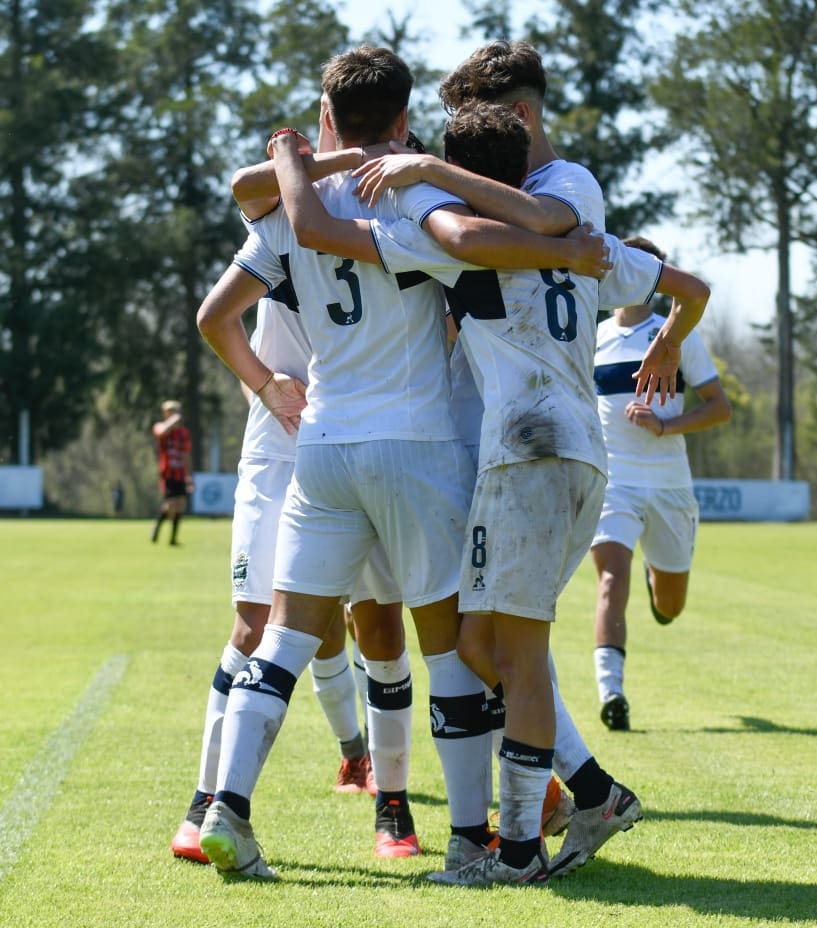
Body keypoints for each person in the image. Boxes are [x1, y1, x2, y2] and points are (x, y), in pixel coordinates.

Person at [194, 46, 609, 882]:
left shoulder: (290, 201)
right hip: (420, 446)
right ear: (400, 119)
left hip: (323, 445)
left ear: (327, 115)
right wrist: (565, 246)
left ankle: (226, 813)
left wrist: (295, 159)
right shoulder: (417, 190)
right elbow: (486, 242)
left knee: (284, 640)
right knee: (448, 646)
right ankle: (468, 840)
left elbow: (218, 306)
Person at [354, 40, 710, 882]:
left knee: (512, 651)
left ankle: (516, 852)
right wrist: (665, 337)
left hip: (533, 450)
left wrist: (405, 176)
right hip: (547, 451)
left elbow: (509, 228)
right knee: (486, 642)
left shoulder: (552, 197)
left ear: (515, 116)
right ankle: (589, 788)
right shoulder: (575, 239)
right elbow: (683, 284)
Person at [169, 285, 394, 865]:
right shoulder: (276, 220)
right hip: (278, 451)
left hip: (366, 446)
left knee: (367, 624)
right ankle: (204, 806)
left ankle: (385, 793)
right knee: (259, 623)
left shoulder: (384, 210)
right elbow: (222, 323)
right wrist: (267, 389)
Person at [591, 237, 732, 732]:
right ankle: (612, 691)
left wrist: (666, 425)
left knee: (671, 606)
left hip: (669, 483)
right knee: (611, 577)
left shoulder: (678, 335)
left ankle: (660, 582)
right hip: (614, 484)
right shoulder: (593, 337)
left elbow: (720, 406)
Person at [151, 400, 193, 545]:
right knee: (170, 504)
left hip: (180, 474)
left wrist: (188, 477)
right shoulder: (160, 427)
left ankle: (173, 539)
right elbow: (160, 431)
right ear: (165, 413)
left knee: (180, 505)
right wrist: (172, 420)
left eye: (175, 411)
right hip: (167, 473)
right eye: (170, 411)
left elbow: (186, 455)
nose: (173, 414)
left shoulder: (183, 433)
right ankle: (156, 527)